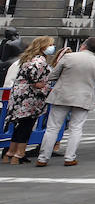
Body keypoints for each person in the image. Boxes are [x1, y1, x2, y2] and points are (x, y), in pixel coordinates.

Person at [37, 37, 95, 167]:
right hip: (83, 98)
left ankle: (43, 158)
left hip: (62, 95)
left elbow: (53, 75)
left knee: (52, 128)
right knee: (76, 128)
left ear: (83, 45)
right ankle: (70, 157)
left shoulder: (69, 57)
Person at [3, 36, 57, 164]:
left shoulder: (26, 58)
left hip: (19, 95)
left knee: (19, 125)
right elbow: (36, 82)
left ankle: (9, 153)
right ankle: (19, 154)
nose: (52, 47)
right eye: (50, 45)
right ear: (43, 46)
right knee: (26, 126)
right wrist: (47, 86)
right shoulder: (40, 61)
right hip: (31, 97)